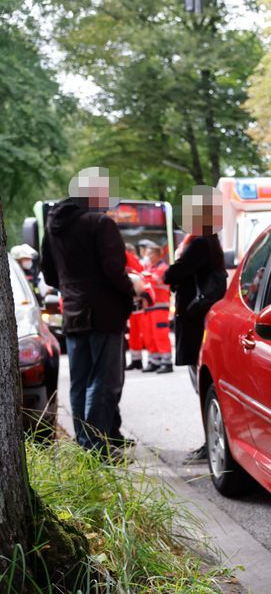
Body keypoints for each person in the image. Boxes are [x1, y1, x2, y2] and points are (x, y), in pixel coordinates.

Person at [40, 167, 134, 457]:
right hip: (104, 312)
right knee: (103, 381)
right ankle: (96, 448)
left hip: (73, 313)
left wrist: (72, 287)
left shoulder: (54, 226)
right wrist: (130, 293)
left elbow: (50, 276)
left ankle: (85, 443)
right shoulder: (100, 223)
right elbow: (113, 271)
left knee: (80, 380)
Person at [163, 186, 227, 464]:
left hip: (196, 321)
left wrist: (175, 269)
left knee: (203, 386)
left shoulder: (199, 242)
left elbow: (170, 274)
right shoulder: (210, 241)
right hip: (201, 318)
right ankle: (211, 441)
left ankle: (210, 443)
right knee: (205, 386)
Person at [139, 239, 173, 373]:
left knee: (160, 335)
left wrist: (143, 276)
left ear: (158, 255)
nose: (147, 257)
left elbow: (152, 281)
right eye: (147, 255)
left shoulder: (163, 268)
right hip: (149, 308)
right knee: (149, 336)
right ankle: (154, 360)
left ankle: (166, 362)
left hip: (160, 308)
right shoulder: (149, 269)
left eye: (150, 254)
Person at [124, 243, 152, 371]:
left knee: (142, 332)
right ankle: (136, 359)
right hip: (132, 300)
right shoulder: (132, 263)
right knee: (134, 333)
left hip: (139, 300)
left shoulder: (134, 262)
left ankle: (150, 360)